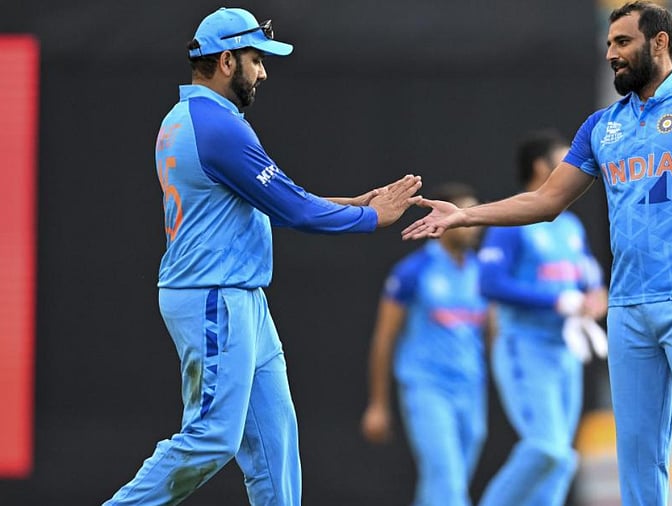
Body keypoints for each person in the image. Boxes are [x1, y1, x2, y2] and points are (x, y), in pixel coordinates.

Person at [402, 2, 672, 505]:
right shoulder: (602, 126)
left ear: (659, 43)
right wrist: (466, 216)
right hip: (627, 307)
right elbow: (545, 200)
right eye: (609, 43)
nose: (611, 53)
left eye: (623, 42)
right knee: (637, 451)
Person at [105, 8, 421, 506]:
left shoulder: (187, 117)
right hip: (214, 296)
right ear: (226, 61)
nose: (264, 72)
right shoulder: (217, 126)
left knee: (275, 442)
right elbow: (293, 209)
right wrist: (371, 218)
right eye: (256, 60)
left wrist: (355, 203)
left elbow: (272, 198)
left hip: (238, 296)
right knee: (212, 438)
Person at [475, 131, 608, 506]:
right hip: (525, 346)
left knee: (562, 460)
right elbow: (489, 283)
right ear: (540, 166)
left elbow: (589, 275)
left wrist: (596, 296)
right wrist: (556, 300)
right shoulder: (513, 219)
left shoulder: (570, 225)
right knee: (546, 449)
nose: (576, 168)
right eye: (565, 160)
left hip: (563, 351)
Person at [361, 182, 490, 506]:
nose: (472, 223)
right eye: (463, 213)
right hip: (427, 388)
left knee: (445, 483)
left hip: (471, 388)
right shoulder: (413, 272)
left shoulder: (481, 271)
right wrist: (378, 404)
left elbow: (491, 333)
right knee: (447, 481)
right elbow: (385, 337)